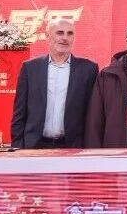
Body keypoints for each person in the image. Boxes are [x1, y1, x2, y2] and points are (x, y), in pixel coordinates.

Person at [10, 19, 98, 148]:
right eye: (60, 33)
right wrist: (17, 146)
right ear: (47, 36)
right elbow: (19, 112)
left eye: (70, 33)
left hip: (73, 147)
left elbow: (93, 113)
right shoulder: (30, 68)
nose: (65, 38)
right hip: (35, 146)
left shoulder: (88, 69)